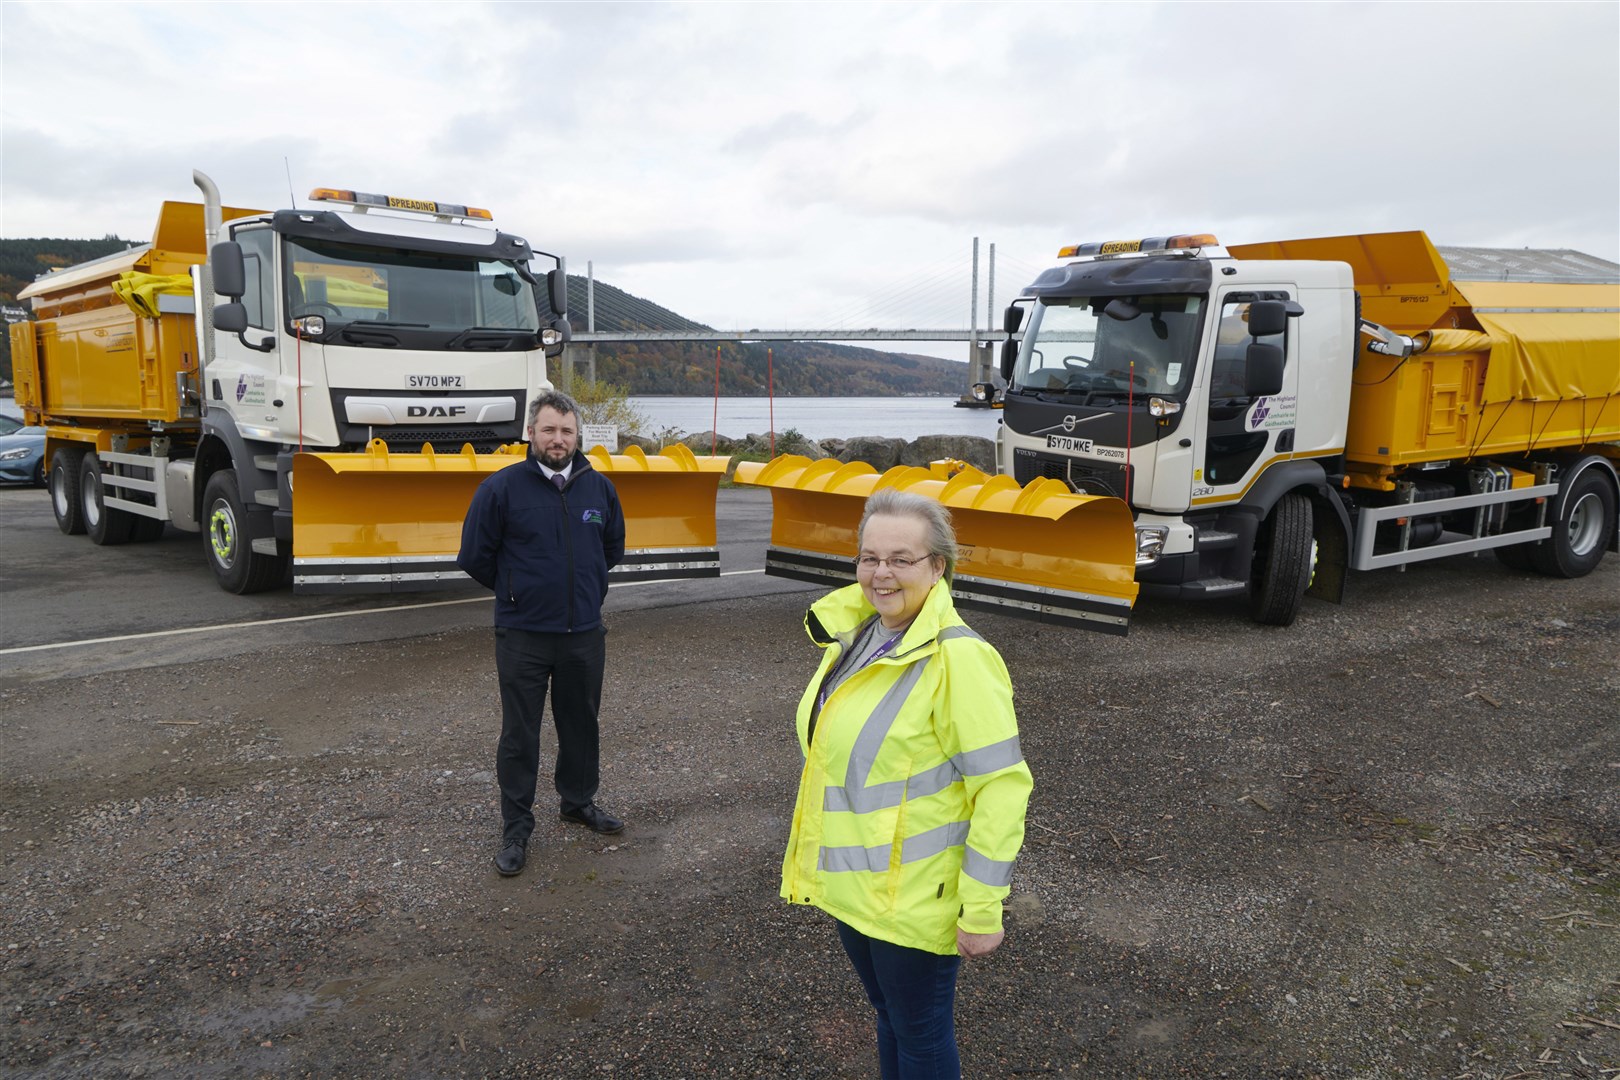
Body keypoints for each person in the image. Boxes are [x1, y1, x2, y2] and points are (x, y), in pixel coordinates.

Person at [780, 488, 1032, 1079]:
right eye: (870, 557)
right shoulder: (860, 638)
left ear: (937, 566)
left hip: (915, 897)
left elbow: (1001, 787)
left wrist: (982, 909)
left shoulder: (960, 659)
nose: (880, 573)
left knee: (919, 1033)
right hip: (857, 888)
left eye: (901, 558)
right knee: (889, 1016)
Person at [457, 390, 628, 878]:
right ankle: (516, 828)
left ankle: (577, 802)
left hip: (582, 634)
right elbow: (475, 556)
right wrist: (517, 593)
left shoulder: (600, 490)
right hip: (523, 635)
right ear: (531, 432)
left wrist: (583, 592)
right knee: (519, 734)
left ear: (578, 436)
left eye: (567, 431)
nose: (559, 439)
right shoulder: (502, 489)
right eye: (549, 429)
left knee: (581, 723)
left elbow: (610, 549)